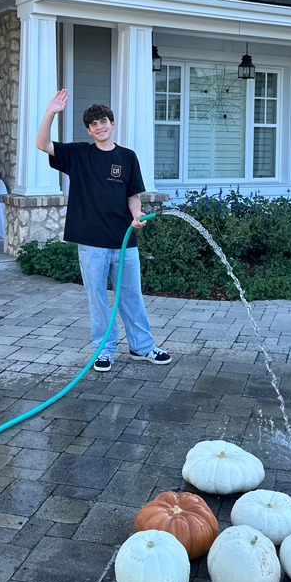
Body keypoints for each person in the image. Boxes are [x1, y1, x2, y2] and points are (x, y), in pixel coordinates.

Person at [36, 90, 171, 372]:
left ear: (112, 124)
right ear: (89, 129)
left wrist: (137, 215)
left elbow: (132, 195)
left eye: (104, 121)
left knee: (131, 295)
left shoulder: (127, 157)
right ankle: (104, 349)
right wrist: (50, 112)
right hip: (91, 242)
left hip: (124, 241)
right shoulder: (78, 154)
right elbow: (42, 143)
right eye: (94, 124)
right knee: (97, 298)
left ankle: (142, 347)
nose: (100, 126)